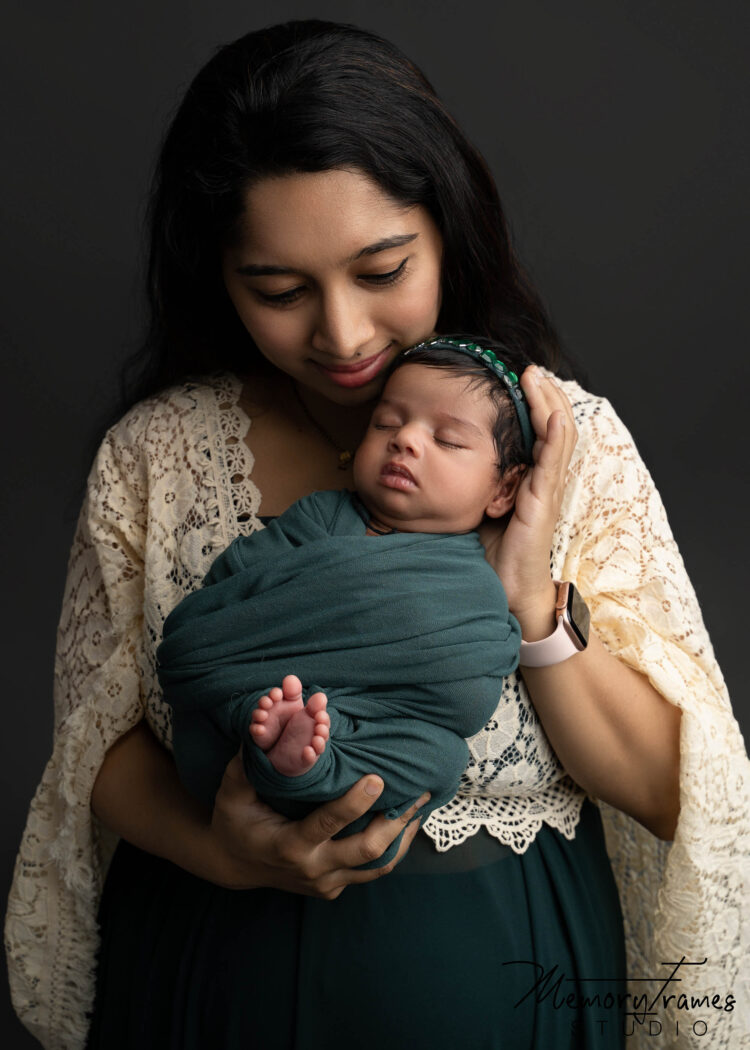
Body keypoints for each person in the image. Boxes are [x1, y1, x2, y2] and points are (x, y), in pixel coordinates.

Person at [5, 18, 748, 1050]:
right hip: (207, 969)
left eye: (384, 268)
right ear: (218, 276)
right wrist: (225, 852)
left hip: (508, 975)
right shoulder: (159, 457)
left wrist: (528, 597)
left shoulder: (568, 447)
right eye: (279, 290)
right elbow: (95, 746)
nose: (343, 335)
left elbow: (683, 796)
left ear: (449, 231)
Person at [156, 338, 533, 869]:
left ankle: (300, 758)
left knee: (440, 758)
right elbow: (227, 597)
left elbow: (467, 692)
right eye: (386, 423)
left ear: (504, 488)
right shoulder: (320, 518)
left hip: (378, 727)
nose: (405, 441)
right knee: (259, 704)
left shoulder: (474, 579)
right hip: (264, 696)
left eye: (446, 439)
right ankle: (283, 738)